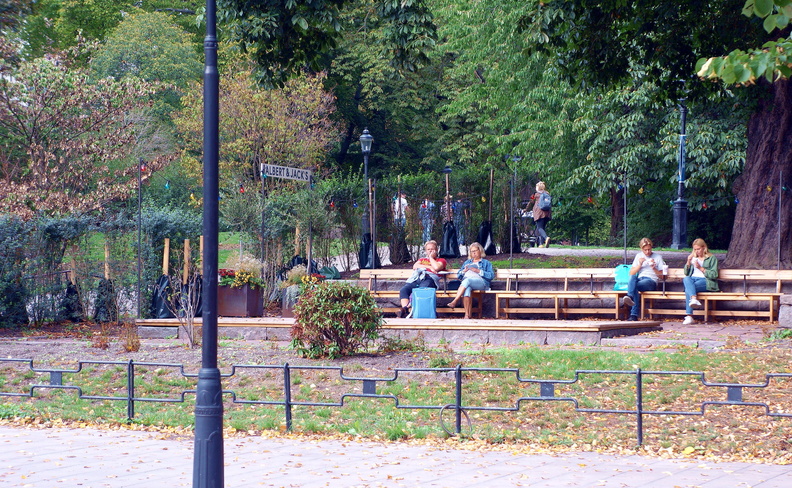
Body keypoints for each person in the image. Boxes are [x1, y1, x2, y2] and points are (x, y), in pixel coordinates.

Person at [398, 240, 447, 318]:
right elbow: (415, 266)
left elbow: (437, 267)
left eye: (432, 249)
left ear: (436, 250)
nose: (430, 251)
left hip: (430, 280)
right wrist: (430, 267)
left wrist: (431, 257)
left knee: (421, 291)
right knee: (404, 290)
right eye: (428, 249)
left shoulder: (441, 260)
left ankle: (405, 308)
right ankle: (406, 311)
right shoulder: (422, 260)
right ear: (426, 251)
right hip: (418, 278)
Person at [622, 238, 666, 321]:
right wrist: (639, 264)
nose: (647, 252)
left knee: (633, 286)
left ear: (651, 248)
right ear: (641, 249)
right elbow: (631, 273)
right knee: (632, 278)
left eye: (649, 249)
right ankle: (630, 297)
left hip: (651, 281)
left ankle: (633, 313)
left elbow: (663, 277)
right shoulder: (639, 256)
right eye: (645, 250)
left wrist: (654, 268)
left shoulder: (658, 257)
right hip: (640, 279)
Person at [447, 242, 494, 319]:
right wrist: (464, 271)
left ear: (480, 251)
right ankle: (467, 315)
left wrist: (478, 271)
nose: (474, 253)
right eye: (472, 251)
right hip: (468, 283)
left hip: (481, 283)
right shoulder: (467, 262)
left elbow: (491, 276)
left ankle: (455, 300)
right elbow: (459, 275)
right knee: (467, 289)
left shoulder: (486, 263)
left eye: (475, 250)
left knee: (467, 281)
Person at [682, 238, 719, 325]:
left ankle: (689, 316)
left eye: (698, 249)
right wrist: (688, 262)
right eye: (695, 249)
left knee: (689, 289)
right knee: (686, 279)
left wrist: (700, 268)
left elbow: (714, 275)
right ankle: (694, 299)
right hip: (693, 279)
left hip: (706, 281)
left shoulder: (711, 258)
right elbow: (686, 273)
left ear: (704, 248)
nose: (697, 251)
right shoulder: (693, 258)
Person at [531, 181, 551, 248]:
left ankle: (546, 238)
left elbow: (531, 202)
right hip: (547, 213)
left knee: (539, 227)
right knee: (543, 228)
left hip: (539, 213)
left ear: (537, 188)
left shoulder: (535, 195)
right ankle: (541, 244)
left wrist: (526, 209)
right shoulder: (547, 194)